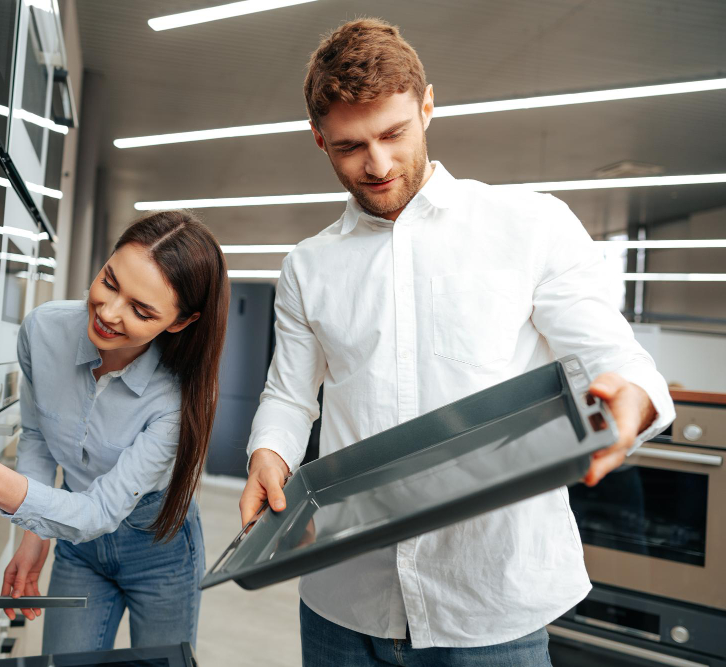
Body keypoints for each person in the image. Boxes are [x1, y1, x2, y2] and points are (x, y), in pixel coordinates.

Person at [237, 19, 675, 666]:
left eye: (394, 133)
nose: (377, 164)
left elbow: (616, 358)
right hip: (343, 602)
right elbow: (288, 393)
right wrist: (268, 453)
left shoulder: (531, 224)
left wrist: (631, 400)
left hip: (491, 606)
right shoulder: (308, 265)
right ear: (318, 139)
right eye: (350, 146)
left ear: (428, 105)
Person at [0, 210, 230, 654]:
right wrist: (35, 536)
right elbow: (39, 435)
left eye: (141, 310)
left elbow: (101, 511)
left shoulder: (181, 397)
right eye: (109, 282)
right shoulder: (44, 329)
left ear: (179, 322)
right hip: (77, 546)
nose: (108, 312)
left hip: (158, 548)